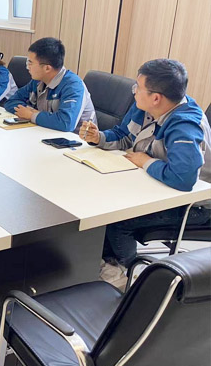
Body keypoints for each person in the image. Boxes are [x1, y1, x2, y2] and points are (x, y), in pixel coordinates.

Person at [80, 59, 211, 284]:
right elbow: (123, 135)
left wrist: (146, 162)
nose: (134, 91)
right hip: (154, 187)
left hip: (193, 205)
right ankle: (105, 260)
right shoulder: (145, 108)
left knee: (119, 219)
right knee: (99, 203)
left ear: (156, 97)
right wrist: (99, 137)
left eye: (138, 87)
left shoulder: (185, 125)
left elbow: (184, 178)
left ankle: (130, 275)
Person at [4, 37, 96, 133]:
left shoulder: (73, 86)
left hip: (74, 139)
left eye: (30, 63)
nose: (28, 67)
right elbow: (11, 101)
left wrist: (32, 115)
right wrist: (29, 112)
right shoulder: (38, 81)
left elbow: (66, 123)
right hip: (46, 131)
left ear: (47, 68)